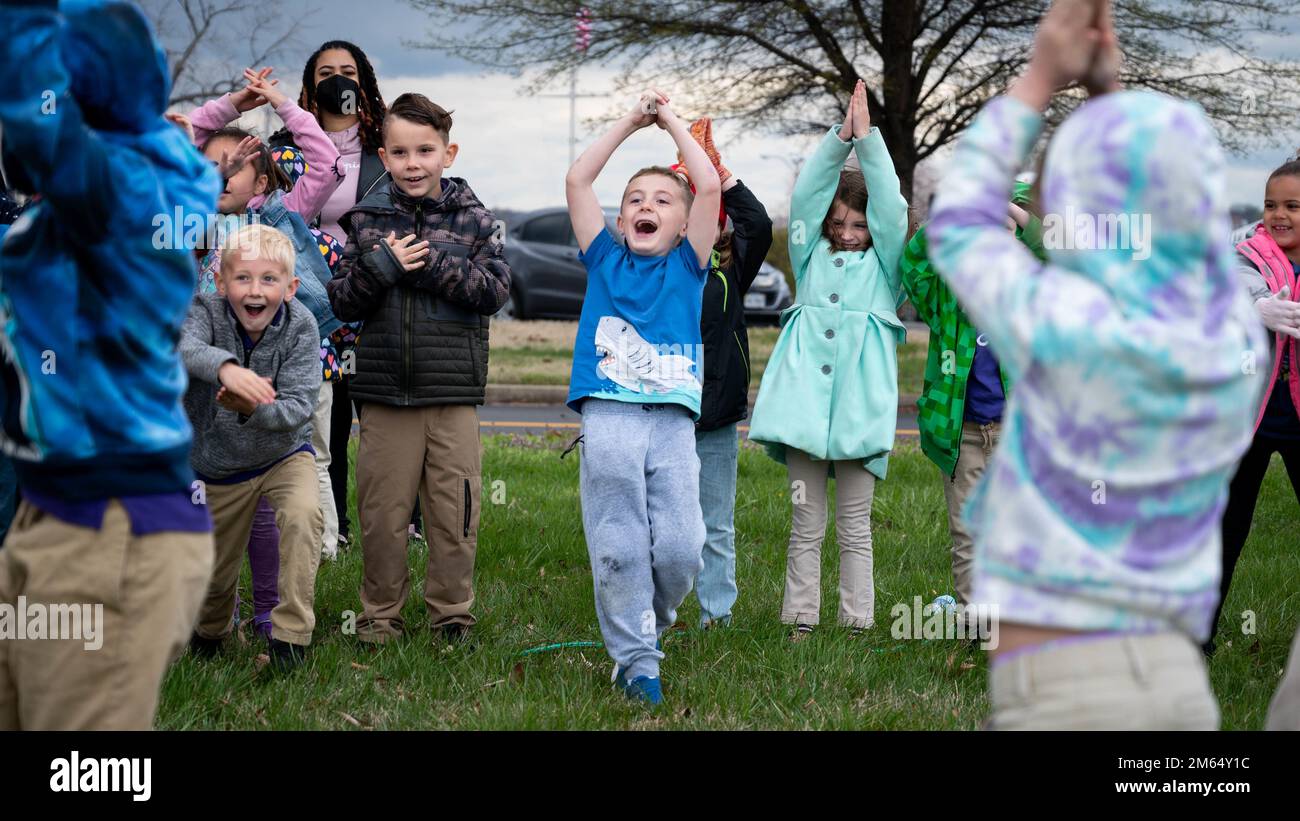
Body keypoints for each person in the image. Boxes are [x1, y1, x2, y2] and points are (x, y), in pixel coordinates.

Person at [927, 0, 1266, 729]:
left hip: (1069, 690)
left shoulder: (1067, 324)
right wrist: (1108, 95)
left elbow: (956, 223)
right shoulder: (1231, 332)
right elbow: (1161, 197)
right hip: (1177, 684)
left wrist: (1040, 77)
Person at [0, 0, 218, 729]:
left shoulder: (122, 191)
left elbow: (37, 116)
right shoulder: (104, 193)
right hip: (51, 510)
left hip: (112, 527)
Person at [328, 93, 510, 646]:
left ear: (447, 154)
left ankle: (451, 616)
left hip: (451, 392)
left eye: (425, 151)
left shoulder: (477, 221)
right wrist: (382, 266)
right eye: (401, 152)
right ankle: (379, 618)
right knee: (382, 514)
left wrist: (429, 263)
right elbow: (343, 301)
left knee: (455, 513)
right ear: (383, 156)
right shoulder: (364, 220)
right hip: (384, 394)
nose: (413, 163)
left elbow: (494, 292)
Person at [565, 89, 719, 706]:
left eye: (662, 200)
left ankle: (650, 618)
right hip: (607, 412)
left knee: (682, 548)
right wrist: (631, 122)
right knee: (620, 545)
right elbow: (578, 180)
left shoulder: (690, 265)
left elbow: (709, 186)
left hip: (672, 422)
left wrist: (671, 122)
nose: (646, 206)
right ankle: (636, 661)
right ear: (621, 219)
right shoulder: (603, 259)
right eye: (634, 200)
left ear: (684, 223)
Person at [747, 79, 909, 640]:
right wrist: (839, 141)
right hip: (802, 412)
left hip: (860, 413)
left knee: (855, 525)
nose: (847, 233)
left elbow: (890, 208)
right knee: (805, 522)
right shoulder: (808, 256)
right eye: (838, 223)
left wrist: (869, 142)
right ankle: (800, 619)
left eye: (859, 225)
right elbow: (807, 198)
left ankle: (857, 620)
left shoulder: (888, 269)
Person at [182, 224, 324, 671]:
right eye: (242, 278)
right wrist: (225, 368)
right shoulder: (204, 310)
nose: (255, 290)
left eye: (269, 279)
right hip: (217, 465)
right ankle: (211, 633)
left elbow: (299, 406)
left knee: (304, 515)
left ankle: (290, 639)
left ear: (290, 286)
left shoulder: (302, 326)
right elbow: (181, 347)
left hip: (283, 455)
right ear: (221, 282)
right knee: (215, 576)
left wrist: (252, 408)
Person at [272, 40, 393, 555]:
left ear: (363, 82)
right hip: (313, 297)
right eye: (326, 73)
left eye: (348, 71)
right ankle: (335, 524)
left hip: (374, 290)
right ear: (309, 85)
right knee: (329, 416)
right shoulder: (286, 149)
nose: (337, 81)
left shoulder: (387, 148)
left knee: (381, 414)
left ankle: (401, 521)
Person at [900, 182, 1046, 606]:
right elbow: (914, 263)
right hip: (962, 436)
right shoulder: (948, 298)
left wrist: (1012, 210)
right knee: (967, 535)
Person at [674, 118, 773, 629]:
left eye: (708, 220)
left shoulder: (731, 271)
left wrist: (720, 174)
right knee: (666, 524)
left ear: (719, 228)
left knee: (715, 524)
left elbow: (760, 224)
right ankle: (658, 612)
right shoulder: (657, 271)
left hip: (714, 420)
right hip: (663, 417)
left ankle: (717, 615)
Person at [1206, 159, 1300, 654]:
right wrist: (1256, 307)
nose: (1278, 215)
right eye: (1270, 204)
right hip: (1249, 420)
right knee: (1224, 529)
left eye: (1293, 206)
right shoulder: (1247, 252)